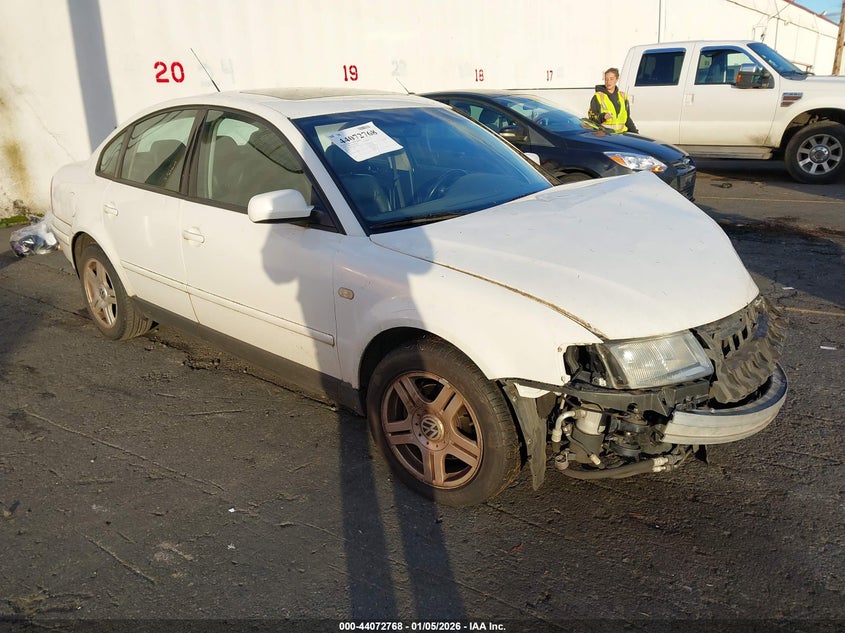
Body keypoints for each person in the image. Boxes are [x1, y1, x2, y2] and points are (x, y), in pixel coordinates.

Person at [589, 67, 638, 133]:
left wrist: (635, 132)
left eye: (611, 79)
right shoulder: (598, 97)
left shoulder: (623, 96)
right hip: (606, 136)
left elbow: (627, 118)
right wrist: (603, 117)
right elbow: (591, 118)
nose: (608, 82)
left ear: (616, 79)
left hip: (622, 135)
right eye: (606, 79)